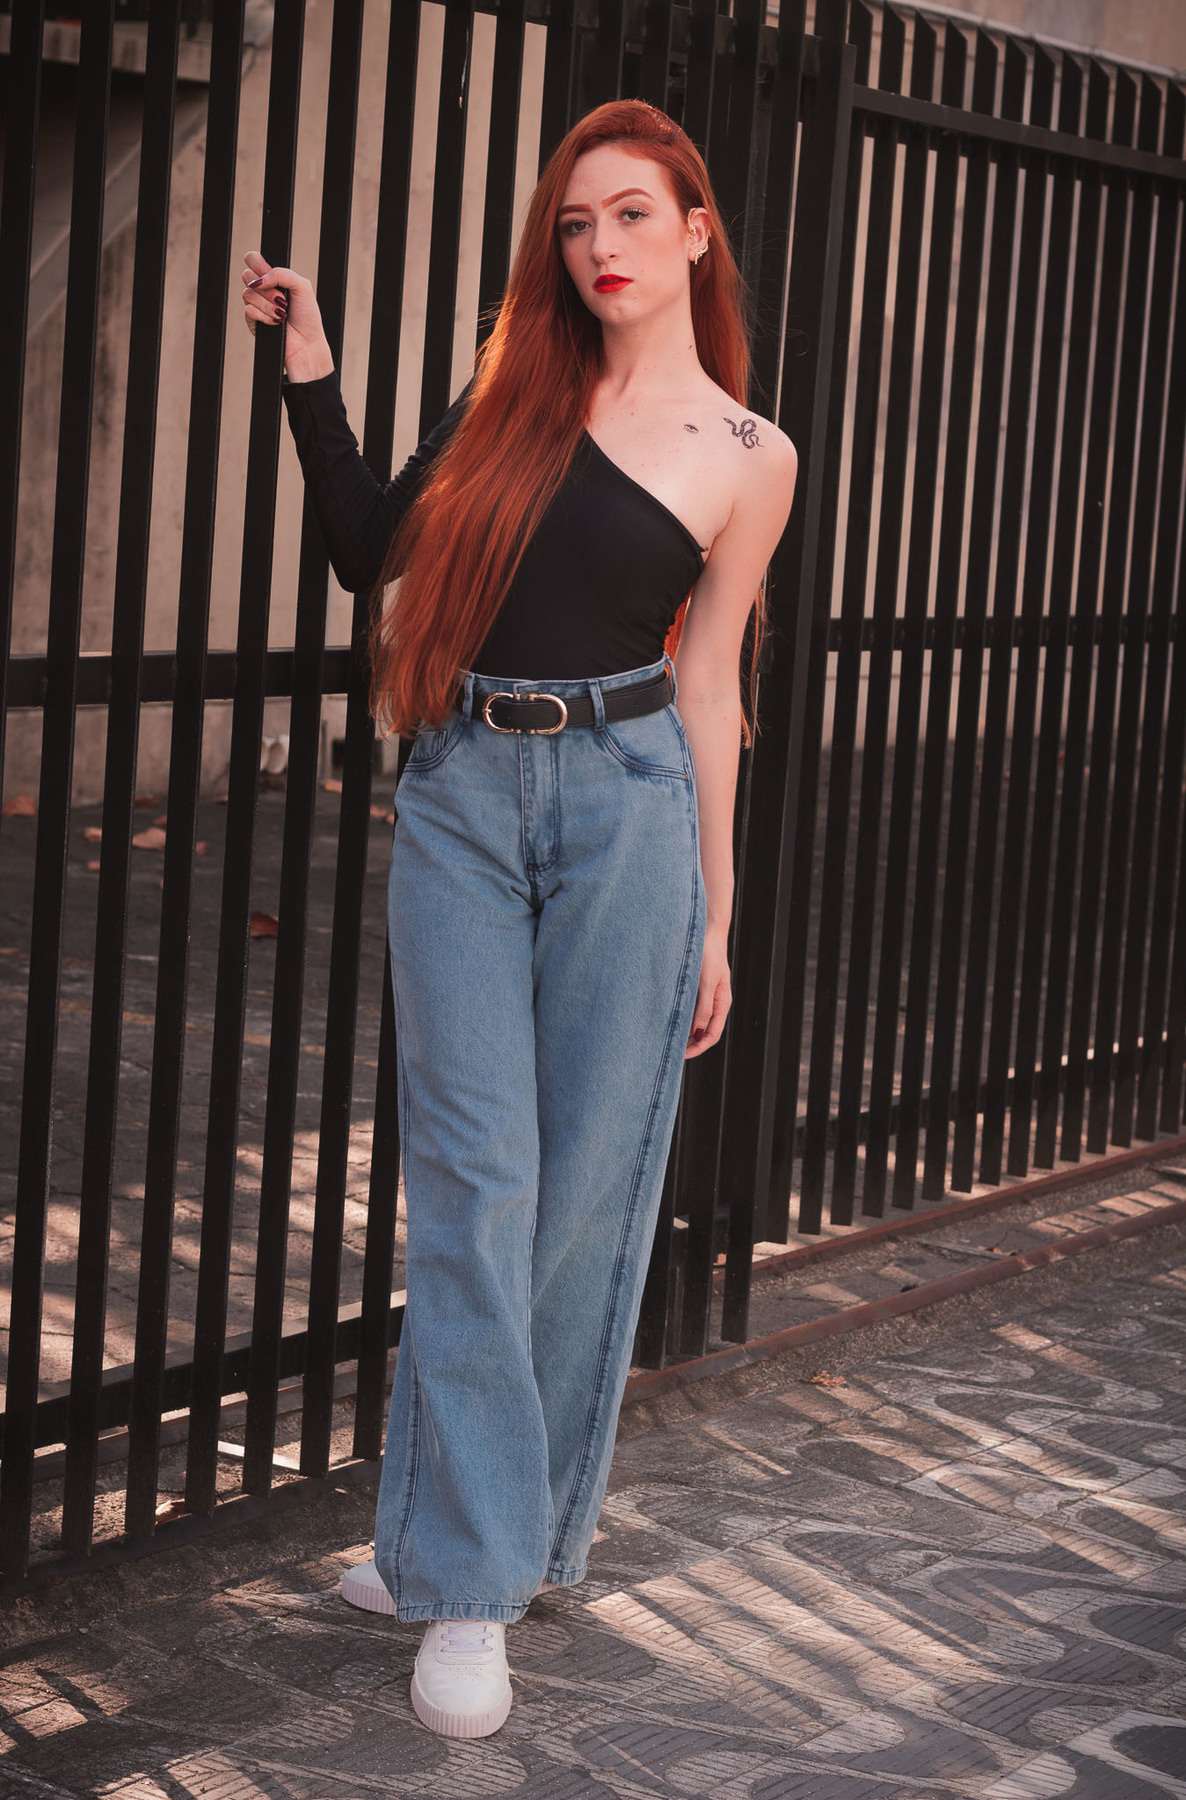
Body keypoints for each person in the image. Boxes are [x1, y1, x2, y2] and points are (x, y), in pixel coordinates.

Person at [239, 97, 796, 1741]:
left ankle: (462, 1545)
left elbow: (713, 685)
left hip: (631, 807)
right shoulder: (512, 397)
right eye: (575, 221)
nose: (600, 245)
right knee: (478, 1190)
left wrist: (716, 911)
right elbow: (366, 550)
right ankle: (476, 1581)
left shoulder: (750, 456)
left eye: (630, 213)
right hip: (465, 800)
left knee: (581, 1201)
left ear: (694, 229)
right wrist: (309, 362)